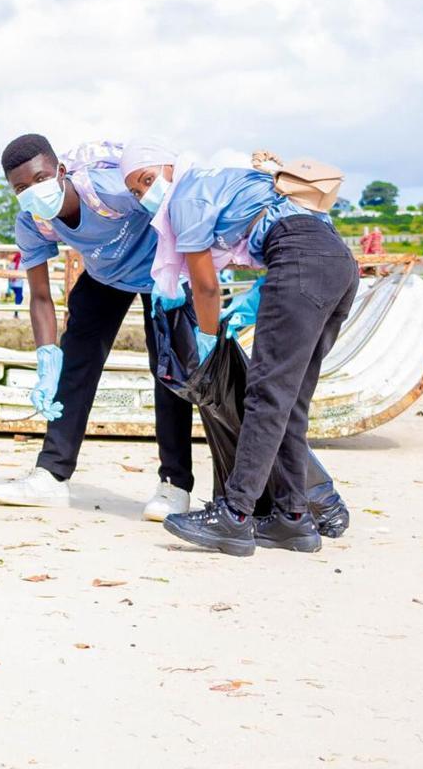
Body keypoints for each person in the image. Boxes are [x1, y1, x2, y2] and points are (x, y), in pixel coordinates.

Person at [121, 138, 358, 556]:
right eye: (136, 191)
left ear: (170, 167)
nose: (145, 194)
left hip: (299, 258)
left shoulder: (185, 198)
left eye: (146, 180)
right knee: (290, 402)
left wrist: (209, 342)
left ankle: (235, 515)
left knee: (265, 396)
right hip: (337, 261)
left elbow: (207, 287)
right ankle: (292, 519)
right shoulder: (223, 181)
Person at [0, 135, 194, 520]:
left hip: (159, 268)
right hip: (105, 276)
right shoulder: (33, 222)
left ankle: (174, 485)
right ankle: (51, 474)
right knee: (74, 364)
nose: (33, 191)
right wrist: (46, 356)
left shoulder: (109, 188)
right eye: (20, 188)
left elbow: (174, 207)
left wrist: (184, 279)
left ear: (60, 171)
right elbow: (39, 297)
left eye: (40, 179)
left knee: (169, 372)